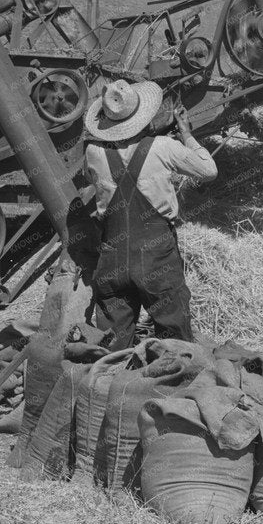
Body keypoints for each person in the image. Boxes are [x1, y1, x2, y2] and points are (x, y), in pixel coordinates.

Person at [83, 79, 217, 349]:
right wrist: (186, 134)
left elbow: (93, 180)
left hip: (112, 258)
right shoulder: (163, 147)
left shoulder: (92, 152)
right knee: (175, 343)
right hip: (156, 257)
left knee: (113, 347)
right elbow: (208, 170)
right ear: (143, 115)